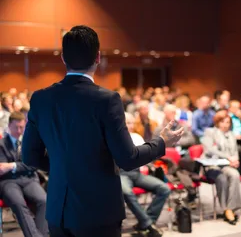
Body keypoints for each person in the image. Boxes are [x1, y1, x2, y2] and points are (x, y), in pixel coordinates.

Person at [22, 25, 184, 237]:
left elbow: (29, 156)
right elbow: (127, 158)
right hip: (98, 212)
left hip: (58, 211)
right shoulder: (106, 100)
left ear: (63, 58)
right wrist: (161, 142)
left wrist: (65, 166)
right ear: (98, 57)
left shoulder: (41, 98)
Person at [121, 113, 170, 237]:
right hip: (122, 174)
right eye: (127, 122)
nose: (129, 125)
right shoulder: (116, 139)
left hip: (137, 173)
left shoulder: (137, 137)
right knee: (126, 192)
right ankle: (148, 224)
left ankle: (146, 222)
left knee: (164, 188)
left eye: (131, 122)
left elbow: (146, 156)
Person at [0, 112, 48, 236]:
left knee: (43, 201)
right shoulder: (1, 144)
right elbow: (1, 168)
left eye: (22, 127)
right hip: (8, 182)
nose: (19, 131)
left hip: (29, 179)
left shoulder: (29, 143)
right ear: (9, 125)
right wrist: (22, 165)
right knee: (18, 204)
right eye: (16, 127)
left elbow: (33, 165)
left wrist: (12, 165)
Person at [201, 110, 241, 225]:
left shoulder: (231, 134)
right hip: (212, 165)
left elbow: (235, 151)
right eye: (223, 122)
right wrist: (228, 157)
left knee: (234, 175)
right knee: (222, 178)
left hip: (226, 165)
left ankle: (230, 208)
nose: (226, 124)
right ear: (217, 122)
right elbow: (209, 149)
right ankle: (226, 209)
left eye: (228, 122)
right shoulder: (210, 132)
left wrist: (235, 160)